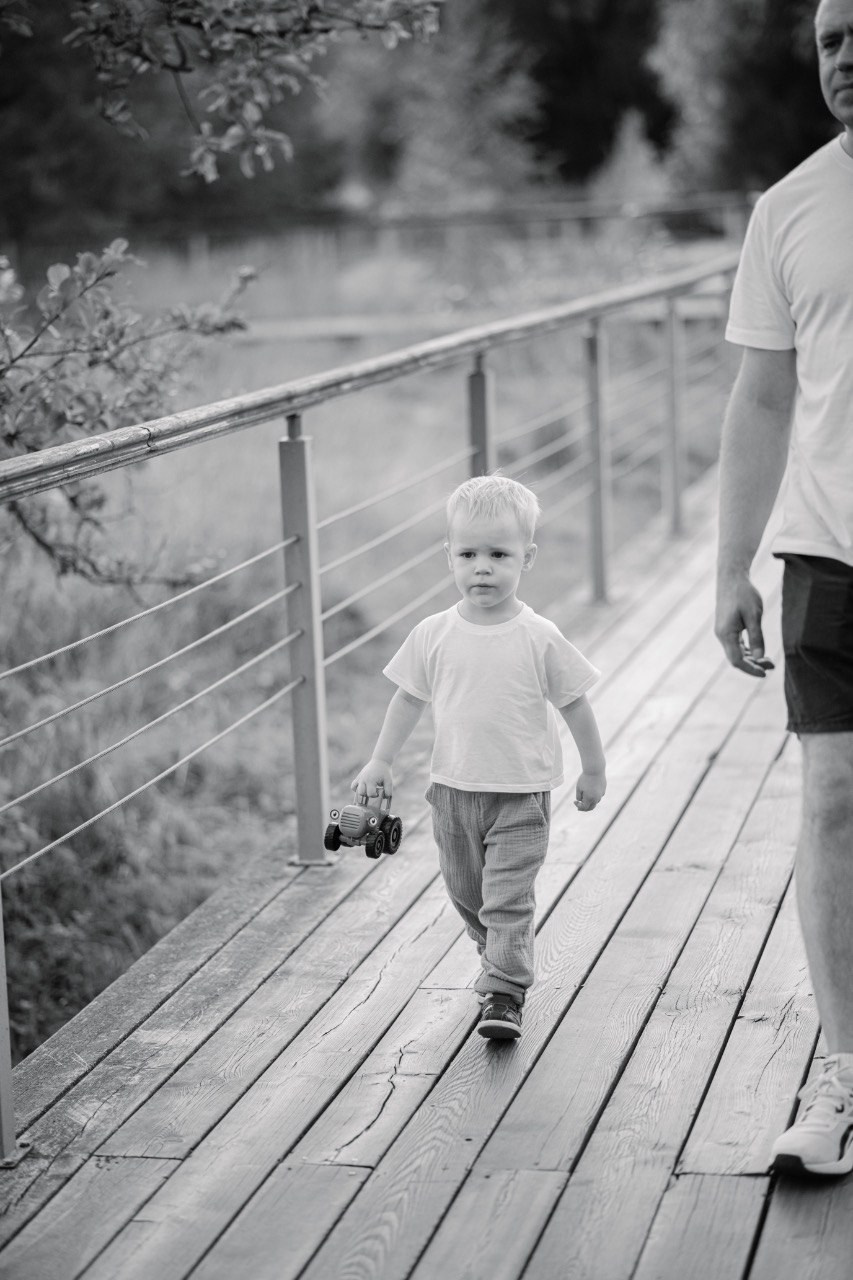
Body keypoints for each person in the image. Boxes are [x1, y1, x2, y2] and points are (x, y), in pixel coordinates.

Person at [715, 0, 853, 1177]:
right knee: (834, 805)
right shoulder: (789, 208)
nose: (845, 58)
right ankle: (848, 1076)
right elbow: (761, 399)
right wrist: (729, 566)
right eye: (830, 41)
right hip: (826, 557)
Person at [352, 474, 606, 1040]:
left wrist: (594, 767)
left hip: (520, 795)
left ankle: (504, 992)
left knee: (508, 899)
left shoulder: (537, 635)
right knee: (468, 893)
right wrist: (380, 761)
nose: (482, 567)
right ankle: (496, 954)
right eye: (468, 554)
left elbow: (576, 703)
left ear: (528, 558)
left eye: (499, 554)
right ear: (449, 556)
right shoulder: (433, 633)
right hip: (452, 793)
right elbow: (407, 699)